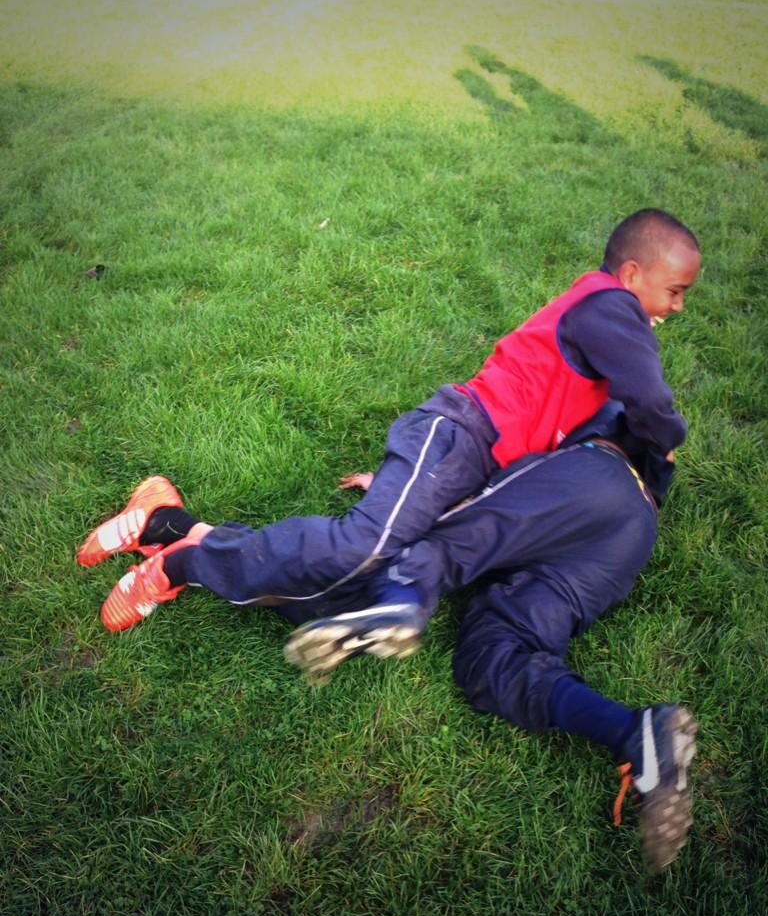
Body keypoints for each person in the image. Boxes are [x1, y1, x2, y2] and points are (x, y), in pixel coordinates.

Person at [77, 403, 696, 872]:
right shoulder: (637, 416)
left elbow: (515, 439)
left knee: (403, 558)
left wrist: (417, 493)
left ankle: (181, 549)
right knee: (495, 655)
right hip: (632, 534)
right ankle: (632, 732)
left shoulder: (591, 392)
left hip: (591, 475)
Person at [78, 209, 700, 625]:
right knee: (360, 545)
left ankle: (170, 522)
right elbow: (652, 401)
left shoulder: (603, 315)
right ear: (632, 273)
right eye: (675, 291)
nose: (675, 307)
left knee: (351, 591)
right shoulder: (611, 306)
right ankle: (175, 567)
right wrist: (666, 448)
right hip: (460, 434)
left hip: (476, 465)